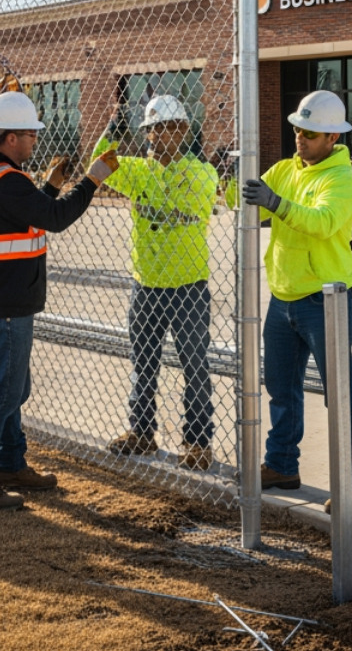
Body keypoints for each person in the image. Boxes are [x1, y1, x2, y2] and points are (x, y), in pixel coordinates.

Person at [0, 90, 118, 509]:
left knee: (13, 386)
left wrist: (51, 185)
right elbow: (54, 218)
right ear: (11, 138)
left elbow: (26, 215)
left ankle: (11, 464)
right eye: (30, 134)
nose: (35, 140)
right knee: (2, 392)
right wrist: (93, 178)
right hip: (4, 299)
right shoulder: (7, 180)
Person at [240, 90, 352, 514]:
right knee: (281, 389)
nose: (300, 137)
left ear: (333, 137)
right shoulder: (285, 169)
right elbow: (238, 202)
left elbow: (322, 222)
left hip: (325, 301)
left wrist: (275, 202)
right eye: (298, 129)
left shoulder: (342, 180)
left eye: (310, 133)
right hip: (283, 296)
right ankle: (282, 465)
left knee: (339, 394)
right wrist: (235, 176)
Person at [94, 95, 218, 470]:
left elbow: (188, 203)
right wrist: (113, 128)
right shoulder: (137, 171)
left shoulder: (200, 173)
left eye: (167, 128)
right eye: (152, 129)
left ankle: (198, 442)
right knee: (143, 364)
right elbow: (98, 164)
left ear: (183, 130)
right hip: (145, 285)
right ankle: (142, 432)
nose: (158, 135)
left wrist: (159, 180)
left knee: (194, 366)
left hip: (187, 286)